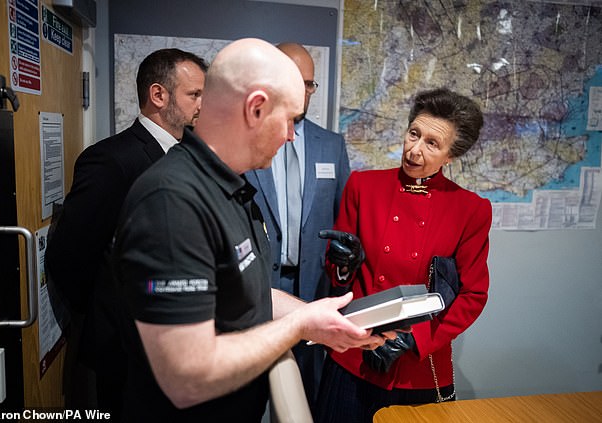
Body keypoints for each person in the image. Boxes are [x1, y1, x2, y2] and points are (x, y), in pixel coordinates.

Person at [110, 38, 386, 422]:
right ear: (256, 108)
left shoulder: (230, 189)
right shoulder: (171, 201)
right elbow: (187, 376)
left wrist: (325, 320)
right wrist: (299, 327)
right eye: (288, 119)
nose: (291, 135)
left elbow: (249, 293)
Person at [45, 48, 207, 419]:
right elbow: (70, 256)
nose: (202, 104)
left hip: (171, 351)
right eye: (194, 94)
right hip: (124, 351)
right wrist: (111, 313)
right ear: (158, 95)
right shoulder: (112, 160)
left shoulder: (188, 156)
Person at [314, 87, 492, 423]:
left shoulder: (470, 210)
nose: (414, 150)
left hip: (417, 369)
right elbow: (339, 274)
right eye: (414, 134)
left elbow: (473, 294)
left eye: (432, 143)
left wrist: (415, 340)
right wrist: (341, 265)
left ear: (451, 156)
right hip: (353, 357)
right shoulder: (363, 186)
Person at [244, 42, 351, 409]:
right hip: (257, 288)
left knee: (302, 398)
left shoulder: (332, 146)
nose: (304, 92)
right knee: (251, 393)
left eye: (310, 84)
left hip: (312, 289)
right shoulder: (247, 141)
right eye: (296, 81)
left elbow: (344, 222)